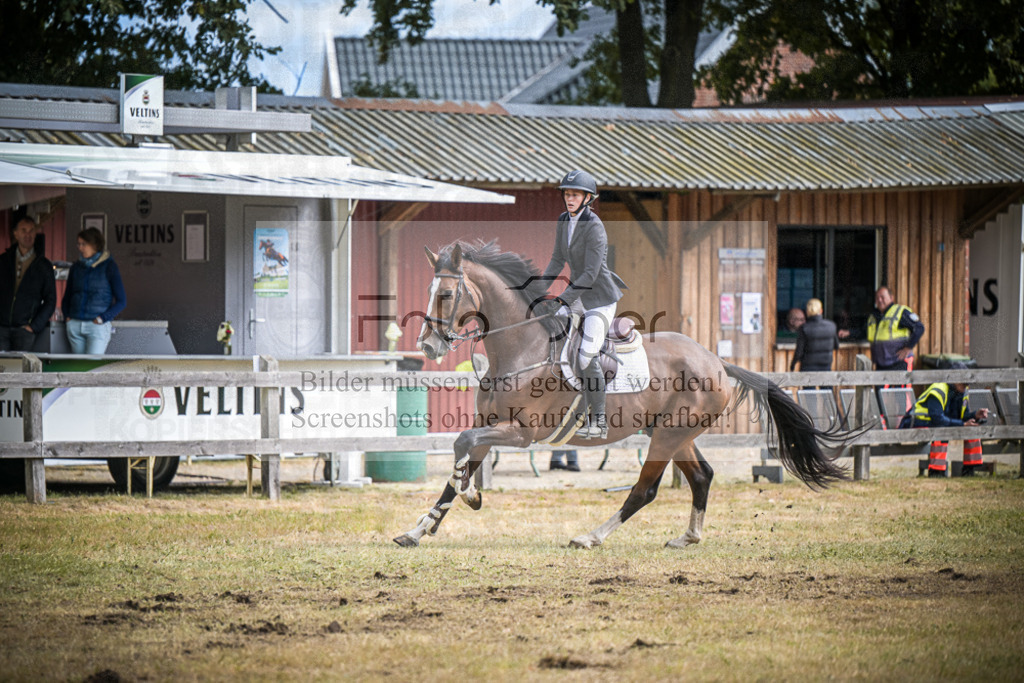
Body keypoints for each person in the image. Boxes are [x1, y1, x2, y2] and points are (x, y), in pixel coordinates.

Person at [540, 169, 627, 439]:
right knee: (547, 330)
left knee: (586, 354)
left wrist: (561, 300)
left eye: (575, 194)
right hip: (578, 295)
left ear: (588, 198)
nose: (569, 198)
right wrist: (536, 291)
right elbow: (556, 260)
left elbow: (590, 274)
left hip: (599, 299)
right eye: (567, 194)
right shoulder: (563, 220)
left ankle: (599, 420)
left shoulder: (595, 227)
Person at [899, 362, 989, 477]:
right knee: (941, 430)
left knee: (972, 429)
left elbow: (961, 417)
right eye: (964, 383)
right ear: (954, 380)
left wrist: (975, 415)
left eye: (967, 384)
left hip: (936, 423)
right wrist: (962, 424)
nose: (966, 386)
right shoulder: (938, 390)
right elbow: (938, 419)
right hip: (915, 422)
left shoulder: (961, 393)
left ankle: (969, 470)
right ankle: (936, 472)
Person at [61, 227, 126, 354]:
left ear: (95, 244)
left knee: (91, 368)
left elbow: (122, 301)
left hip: (96, 326)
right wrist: (67, 317)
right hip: (75, 324)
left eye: (84, 244)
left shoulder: (109, 266)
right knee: (77, 370)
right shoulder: (76, 267)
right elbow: (67, 296)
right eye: (78, 244)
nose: (80, 248)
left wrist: (102, 319)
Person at [0, 216, 56, 351]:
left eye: (31, 230)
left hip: (24, 330)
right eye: (23, 230)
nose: (28, 235)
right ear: (15, 233)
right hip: (1, 329)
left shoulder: (43, 266)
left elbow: (51, 300)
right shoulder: (3, 261)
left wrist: (34, 326)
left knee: (21, 369)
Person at [865, 286, 925, 371]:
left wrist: (908, 348)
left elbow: (919, 328)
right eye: (877, 298)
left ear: (891, 298)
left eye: (882, 297)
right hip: (881, 364)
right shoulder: (874, 316)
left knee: (898, 385)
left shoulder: (900, 312)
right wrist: (849, 332)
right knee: (880, 385)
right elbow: (865, 331)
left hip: (898, 363)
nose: (880, 300)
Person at [790, 299, 838, 372]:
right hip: (826, 366)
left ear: (807, 312)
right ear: (821, 311)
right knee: (827, 383)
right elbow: (836, 346)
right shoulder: (831, 326)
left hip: (808, 366)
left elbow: (799, 352)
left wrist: (793, 364)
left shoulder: (804, 328)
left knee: (808, 383)